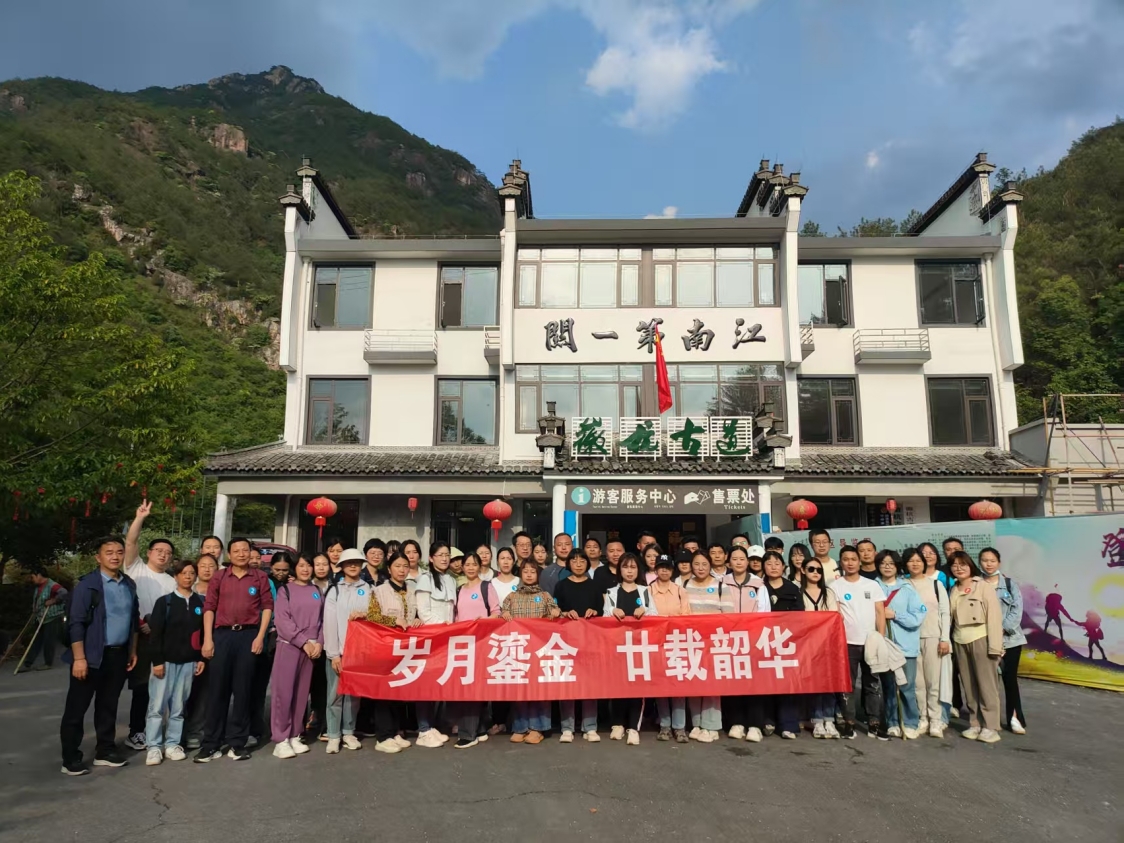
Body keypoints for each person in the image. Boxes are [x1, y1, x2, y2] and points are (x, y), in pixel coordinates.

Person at [60, 536, 140, 775]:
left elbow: (134, 620)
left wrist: (132, 651)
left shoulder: (128, 584)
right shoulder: (88, 586)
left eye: (119, 552)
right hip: (90, 656)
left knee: (108, 705)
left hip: (118, 655)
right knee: (77, 708)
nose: (115, 556)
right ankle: (70, 758)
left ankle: (105, 750)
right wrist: (79, 659)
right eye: (109, 552)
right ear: (98, 557)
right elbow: (76, 623)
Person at [195, 537, 273, 763]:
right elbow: (209, 608)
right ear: (229, 555)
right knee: (217, 691)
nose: (241, 554)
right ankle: (211, 743)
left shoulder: (260, 577)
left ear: (250, 552)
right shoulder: (219, 577)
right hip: (222, 635)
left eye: (245, 550)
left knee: (243, 690)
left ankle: (238, 742)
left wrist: (260, 636)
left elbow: (267, 607)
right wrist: (208, 640)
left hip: (248, 636)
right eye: (236, 551)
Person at [122, 500, 176, 752]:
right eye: (159, 550)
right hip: (136, 637)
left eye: (168, 552)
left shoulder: (173, 582)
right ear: (149, 552)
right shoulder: (136, 568)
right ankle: (134, 732)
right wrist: (140, 518)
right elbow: (130, 542)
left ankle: (152, 730)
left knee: (157, 688)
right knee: (138, 687)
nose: (163, 555)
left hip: (159, 639)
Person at [145, 559, 205, 765]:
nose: (188, 577)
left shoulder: (200, 603)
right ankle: (153, 746)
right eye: (183, 573)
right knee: (157, 707)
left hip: (188, 663)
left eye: (191, 573)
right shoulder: (165, 602)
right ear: (176, 576)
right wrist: (157, 661)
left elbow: (202, 634)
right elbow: (155, 634)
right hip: (165, 662)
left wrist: (200, 659)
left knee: (178, 707)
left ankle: (172, 744)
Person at [829, 545, 886, 740]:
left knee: (872, 684)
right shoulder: (835, 586)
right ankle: (849, 722)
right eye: (846, 559)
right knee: (848, 684)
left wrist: (880, 638)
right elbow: (835, 615)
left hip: (871, 642)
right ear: (841, 562)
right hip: (847, 643)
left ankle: (874, 722)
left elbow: (880, 612)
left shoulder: (872, 585)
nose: (850, 563)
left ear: (860, 562)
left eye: (854, 559)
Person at [366, 554, 422, 753]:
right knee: (383, 691)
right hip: (384, 647)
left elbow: (416, 614)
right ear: (389, 569)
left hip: (405, 649)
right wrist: (393, 621)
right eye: (397, 566)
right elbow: (372, 616)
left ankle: (395, 731)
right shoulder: (379, 591)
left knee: (399, 690)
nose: (402, 570)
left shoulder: (413, 591)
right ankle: (383, 736)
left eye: (405, 566)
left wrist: (417, 619)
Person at [270, 555, 324, 759]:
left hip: (311, 649)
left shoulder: (317, 590)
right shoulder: (285, 591)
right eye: (301, 565)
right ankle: (281, 739)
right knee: (283, 693)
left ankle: (294, 734)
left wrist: (319, 642)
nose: (306, 569)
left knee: (301, 694)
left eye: (309, 565)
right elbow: (283, 621)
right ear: (294, 568)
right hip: (290, 646)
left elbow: (322, 620)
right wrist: (303, 642)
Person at [501, 561, 561, 744]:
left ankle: (538, 728)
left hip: (539, 650)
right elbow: (502, 613)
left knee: (539, 689)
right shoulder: (512, 596)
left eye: (532, 571)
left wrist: (555, 612)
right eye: (525, 571)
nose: (528, 574)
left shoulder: (544, 596)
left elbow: (556, 610)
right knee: (519, 690)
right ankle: (520, 727)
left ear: (538, 575)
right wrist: (504, 615)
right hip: (519, 651)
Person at [948, 551, 1003, 743]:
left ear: (970, 565)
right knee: (969, 685)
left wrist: (995, 646)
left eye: (962, 564)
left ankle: (991, 726)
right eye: (954, 565)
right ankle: (975, 723)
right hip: (960, 639)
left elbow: (994, 617)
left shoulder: (983, 586)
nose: (959, 568)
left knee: (987, 685)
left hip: (981, 638)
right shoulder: (953, 589)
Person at [602, 553, 654, 746]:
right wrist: (612, 611)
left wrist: (645, 611)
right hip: (618, 647)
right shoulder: (611, 592)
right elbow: (604, 617)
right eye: (625, 567)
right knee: (617, 685)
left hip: (640, 647)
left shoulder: (645, 591)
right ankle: (617, 724)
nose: (629, 571)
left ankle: (633, 727)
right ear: (619, 570)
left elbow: (656, 616)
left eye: (633, 567)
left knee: (637, 688)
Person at [452, 554, 501, 748]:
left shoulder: (486, 587)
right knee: (468, 687)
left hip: (481, 643)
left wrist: (483, 621)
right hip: (463, 644)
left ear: (480, 566)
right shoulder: (459, 590)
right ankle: (479, 728)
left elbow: (496, 613)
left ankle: (467, 734)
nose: (471, 567)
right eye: (467, 564)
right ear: (462, 567)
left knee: (472, 688)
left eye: (474, 564)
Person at [683, 551, 733, 742]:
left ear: (710, 565)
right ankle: (696, 724)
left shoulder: (720, 586)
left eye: (704, 564)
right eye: (697, 564)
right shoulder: (684, 586)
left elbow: (728, 616)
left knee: (712, 684)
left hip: (714, 642)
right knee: (695, 682)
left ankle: (711, 726)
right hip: (692, 642)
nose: (701, 568)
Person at [902, 548, 951, 738]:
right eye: (911, 561)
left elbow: (945, 613)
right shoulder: (903, 585)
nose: (915, 564)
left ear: (924, 563)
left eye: (918, 560)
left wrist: (944, 638)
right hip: (909, 638)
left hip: (932, 636)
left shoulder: (936, 585)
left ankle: (936, 719)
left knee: (934, 681)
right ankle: (922, 716)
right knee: (917, 682)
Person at [875, 550, 924, 739]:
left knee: (907, 686)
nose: (887, 566)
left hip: (906, 646)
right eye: (883, 563)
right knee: (889, 687)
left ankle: (911, 722)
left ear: (897, 566)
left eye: (891, 563)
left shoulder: (907, 589)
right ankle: (893, 722)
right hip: (883, 645)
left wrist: (895, 615)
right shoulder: (872, 587)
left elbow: (918, 617)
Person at [554, 551, 603, 743]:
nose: (578, 563)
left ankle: (590, 727)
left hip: (590, 641)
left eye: (582, 560)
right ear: (568, 564)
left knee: (590, 684)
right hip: (567, 640)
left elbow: (603, 611)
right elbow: (555, 611)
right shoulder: (561, 586)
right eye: (574, 560)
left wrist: (595, 612)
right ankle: (567, 728)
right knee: (568, 684)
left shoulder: (595, 585)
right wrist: (564, 613)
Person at [323, 548, 368, 754]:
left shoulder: (368, 589)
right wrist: (333, 654)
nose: (353, 566)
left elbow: (373, 617)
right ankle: (333, 735)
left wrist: (365, 615)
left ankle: (349, 732)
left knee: (353, 695)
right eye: (348, 563)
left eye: (356, 562)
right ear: (341, 566)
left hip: (358, 653)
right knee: (335, 694)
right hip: (338, 651)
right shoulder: (335, 590)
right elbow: (329, 624)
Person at [978, 547, 1027, 735]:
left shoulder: (1009, 584)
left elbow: (1017, 610)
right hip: (984, 639)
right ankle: (987, 719)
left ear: (998, 562)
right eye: (984, 560)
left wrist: (1001, 629)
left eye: (992, 560)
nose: (988, 564)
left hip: (1010, 640)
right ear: (979, 562)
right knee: (987, 681)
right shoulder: (976, 584)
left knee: (1009, 679)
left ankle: (1014, 717)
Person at [722, 546, 769, 742]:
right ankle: (737, 722)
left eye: (742, 559)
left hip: (753, 640)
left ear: (748, 561)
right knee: (733, 682)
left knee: (754, 683)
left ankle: (755, 725)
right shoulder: (722, 583)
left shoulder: (759, 584)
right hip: (730, 639)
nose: (739, 562)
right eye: (735, 559)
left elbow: (764, 612)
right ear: (729, 562)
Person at [414, 542, 456, 748]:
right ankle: (423, 729)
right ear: (431, 558)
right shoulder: (425, 578)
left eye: (447, 555)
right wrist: (441, 628)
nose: (444, 558)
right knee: (425, 684)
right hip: (431, 637)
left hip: (447, 639)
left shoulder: (451, 579)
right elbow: (423, 612)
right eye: (440, 555)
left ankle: (432, 726)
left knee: (438, 683)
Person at [648, 555, 690, 742]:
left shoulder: (680, 591)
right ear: (656, 570)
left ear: (672, 570)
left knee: (678, 686)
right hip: (655, 643)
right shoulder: (647, 591)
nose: (664, 571)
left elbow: (686, 616)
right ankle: (664, 725)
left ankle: (679, 727)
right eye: (661, 567)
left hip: (676, 642)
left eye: (667, 567)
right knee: (661, 686)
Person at [763, 550, 803, 740]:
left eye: (777, 563)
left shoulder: (792, 589)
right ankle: (768, 720)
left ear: (783, 566)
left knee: (787, 684)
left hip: (787, 642)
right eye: (769, 563)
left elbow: (800, 615)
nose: (773, 567)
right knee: (766, 683)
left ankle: (788, 724)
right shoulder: (760, 587)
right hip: (763, 641)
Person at [800, 558, 840, 738]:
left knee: (829, 682)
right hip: (808, 645)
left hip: (828, 643)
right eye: (811, 569)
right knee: (814, 683)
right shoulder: (799, 593)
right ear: (803, 570)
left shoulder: (828, 593)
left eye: (819, 570)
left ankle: (829, 719)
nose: (815, 572)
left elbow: (834, 617)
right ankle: (817, 720)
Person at [305, 554, 333, 741]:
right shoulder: (306, 586)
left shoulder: (335, 586)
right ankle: (312, 718)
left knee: (325, 684)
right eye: (317, 564)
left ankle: (325, 723)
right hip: (309, 642)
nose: (321, 567)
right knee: (311, 683)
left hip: (329, 641)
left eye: (325, 564)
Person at [19, 569, 67, 672]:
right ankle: (27, 663)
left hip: (52, 617)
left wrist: (53, 600)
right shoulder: (38, 587)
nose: (32, 579)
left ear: (39, 575)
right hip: (40, 617)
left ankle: (48, 663)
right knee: (36, 640)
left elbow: (64, 593)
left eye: (33, 577)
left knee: (49, 640)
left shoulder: (52, 585)